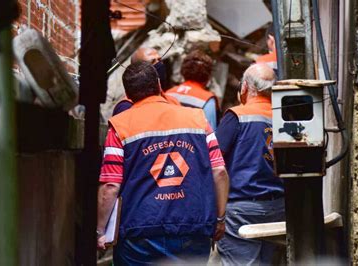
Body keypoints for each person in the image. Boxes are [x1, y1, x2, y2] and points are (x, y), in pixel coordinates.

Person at [97, 61, 230, 264]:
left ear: (128, 94)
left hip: (139, 233)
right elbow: (219, 172)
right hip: (193, 227)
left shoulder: (120, 126)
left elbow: (110, 185)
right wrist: (219, 219)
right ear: (159, 85)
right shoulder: (198, 118)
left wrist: (100, 230)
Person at [216, 64, 285, 265]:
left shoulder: (236, 115)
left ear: (245, 87)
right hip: (278, 208)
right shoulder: (283, 117)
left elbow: (215, 163)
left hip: (241, 210)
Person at [112, 47, 179, 116]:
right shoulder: (126, 107)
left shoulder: (172, 101)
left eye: (159, 60)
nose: (159, 64)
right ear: (137, 70)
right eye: (152, 62)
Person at [166, 50, 219, 130]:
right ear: (208, 76)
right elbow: (210, 135)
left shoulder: (168, 93)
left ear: (183, 71)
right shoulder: (207, 100)